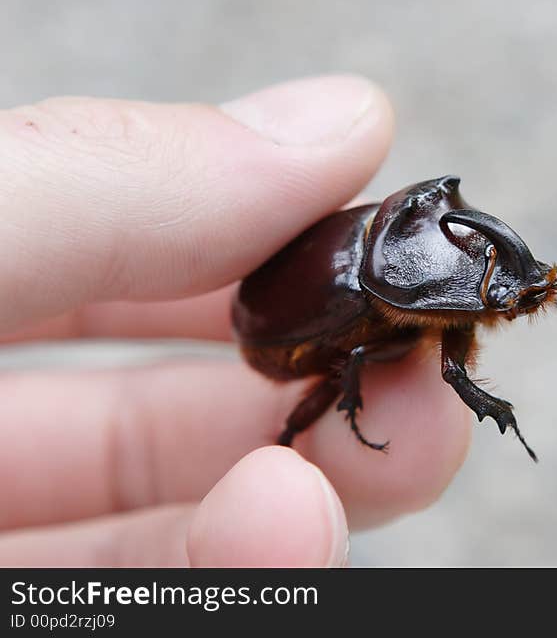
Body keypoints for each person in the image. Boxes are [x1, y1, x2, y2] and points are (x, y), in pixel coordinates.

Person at [0, 76, 472, 567]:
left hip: (292, 309)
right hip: (274, 333)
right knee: (351, 359)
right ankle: (291, 443)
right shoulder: (382, 283)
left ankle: (288, 451)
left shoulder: (401, 259)